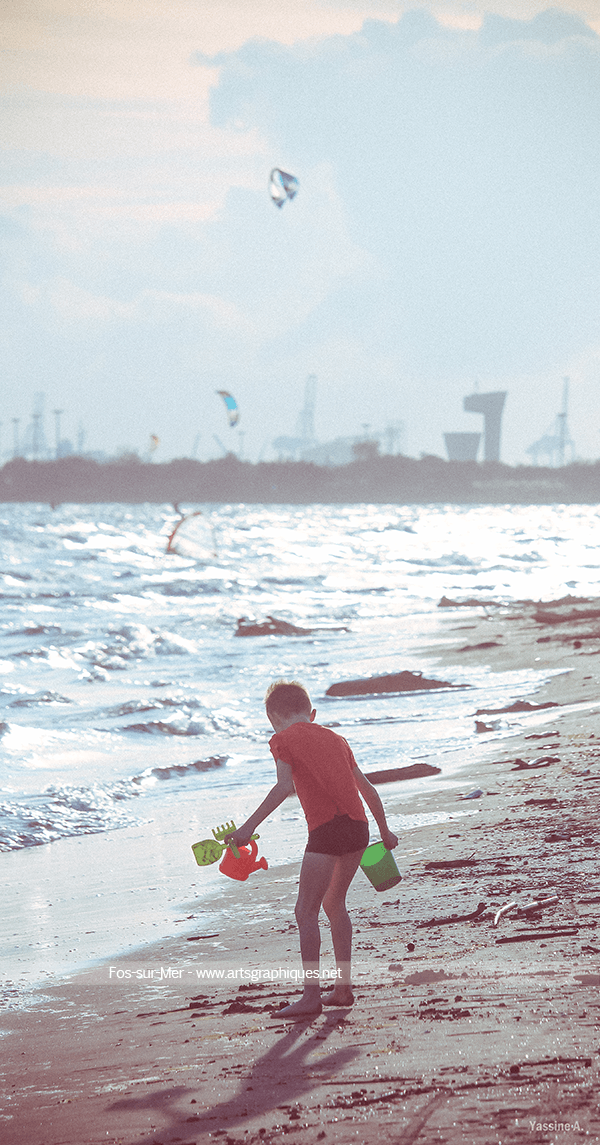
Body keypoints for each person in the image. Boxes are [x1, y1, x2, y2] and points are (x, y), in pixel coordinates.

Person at [225, 679, 399, 1017]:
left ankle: (310, 997)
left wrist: (248, 828)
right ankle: (343, 989)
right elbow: (368, 790)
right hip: (358, 830)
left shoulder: (281, 740)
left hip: (326, 830)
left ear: (271, 717)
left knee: (306, 912)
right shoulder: (337, 739)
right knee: (335, 904)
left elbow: (282, 787)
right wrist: (385, 832)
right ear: (312, 713)